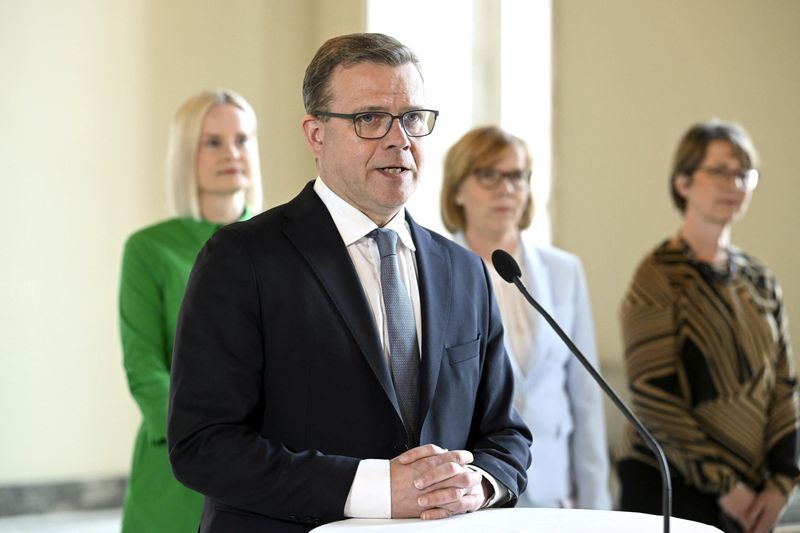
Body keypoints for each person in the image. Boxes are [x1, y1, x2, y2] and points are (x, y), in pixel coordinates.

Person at [167, 33, 532, 533]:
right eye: (369, 119)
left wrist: (481, 482)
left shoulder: (465, 270)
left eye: (412, 119)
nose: (398, 139)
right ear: (316, 135)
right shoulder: (242, 258)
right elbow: (203, 445)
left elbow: (506, 434)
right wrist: (378, 489)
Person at [616, 120, 799, 532]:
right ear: (683, 182)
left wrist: (782, 482)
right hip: (668, 483)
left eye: (743, 173)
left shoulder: (759, 277)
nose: (733, 184)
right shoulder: (658, 274)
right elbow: (651, 394)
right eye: (719, 171)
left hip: (753, 491)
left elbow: (784, 384)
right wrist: (725, 486)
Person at [440, 125, 611, 510]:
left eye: (517, 175)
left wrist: (597, 502)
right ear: (456, 190)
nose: (506, 188)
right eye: (488, 174)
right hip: (478, 491)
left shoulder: (564, 271)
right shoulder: (436, 274)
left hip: (556, 488)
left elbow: (585, 397)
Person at [118, 89, 263, 532]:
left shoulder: (280, 244)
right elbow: (145, 369)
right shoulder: (148, 250)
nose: (231, 153)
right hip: (178, 468)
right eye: (212, 141)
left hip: (267, 465)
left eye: (242, 139)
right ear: (186, 153)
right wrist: (213, 440)